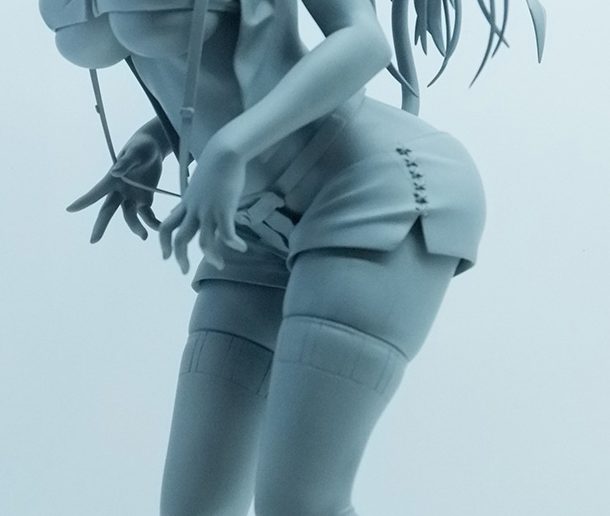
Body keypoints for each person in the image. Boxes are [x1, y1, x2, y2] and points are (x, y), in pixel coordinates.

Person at [40, 1, 546, 514]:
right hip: (250, 227)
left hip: (372, 186)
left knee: (300, 504)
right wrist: (154, 140)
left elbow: (365, 41)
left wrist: (230, 149)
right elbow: (201, 61)